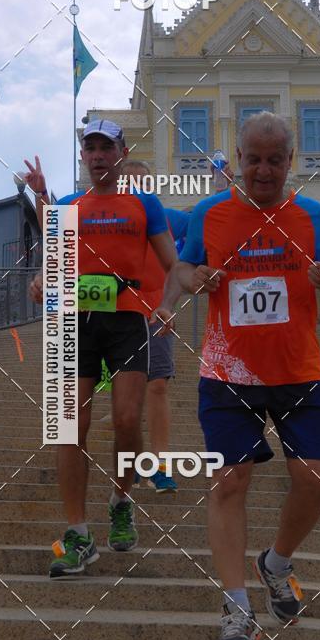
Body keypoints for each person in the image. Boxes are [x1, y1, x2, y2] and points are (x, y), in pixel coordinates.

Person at [176, 111, 320, 640]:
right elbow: (182, 271)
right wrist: (194, 278)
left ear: (290, 162)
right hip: (228, 373)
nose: (264, 170)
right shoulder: (209, 214)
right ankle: (235, 611)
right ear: (239, 159)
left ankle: (276, 562)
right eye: (254, 159)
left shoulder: (314, 216)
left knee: (314, 479)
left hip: (298, 370)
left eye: (275, 160)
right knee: (230, 482)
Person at [28, 120, 177, 578]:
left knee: (128, 420)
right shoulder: (71, 204)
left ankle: (120, 499)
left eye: (104, 148)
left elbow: (174, 263)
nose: (96, 155)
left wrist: (168, 304)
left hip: (129, 318)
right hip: (75, 321)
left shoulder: (143, 203)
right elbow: (53, 261)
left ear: (120, 152)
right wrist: (39, 281)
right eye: (89, 148)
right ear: (84, 156)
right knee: (69, 424)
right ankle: (77, 534)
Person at [118, 159, 188, 493]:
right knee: (126, 395)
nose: (137, 189)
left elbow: (207, 221)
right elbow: (60, 228)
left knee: (158, 385)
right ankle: (131, 463)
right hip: (117, 315)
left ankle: (160, 465)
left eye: (143, 183)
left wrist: (227, 185)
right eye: (130, 183)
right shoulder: (110, 220)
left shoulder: (168, 218)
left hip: (157, 312)